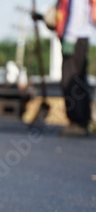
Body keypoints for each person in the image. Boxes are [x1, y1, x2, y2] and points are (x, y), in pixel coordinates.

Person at [46, 0, 95, 135]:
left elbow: (77, 13)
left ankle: (78, 122)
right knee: (78, 78)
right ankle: (83, 121)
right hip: (78, 38)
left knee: (71, 81)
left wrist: (70, 37)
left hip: (75, 39)